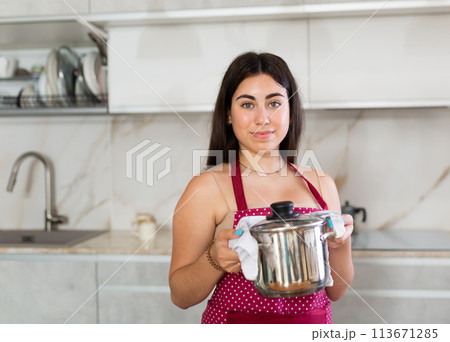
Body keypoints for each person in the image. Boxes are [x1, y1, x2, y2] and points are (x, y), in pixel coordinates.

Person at [169, 51, 354, 324]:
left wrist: (341, 245)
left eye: (275, 103)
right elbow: (180, 296)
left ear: (291, 113)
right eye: (247, 105)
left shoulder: (321, 185)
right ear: (228, 115)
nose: (262, 118)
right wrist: (213, 259)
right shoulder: (206, 188)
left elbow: (336, 291)